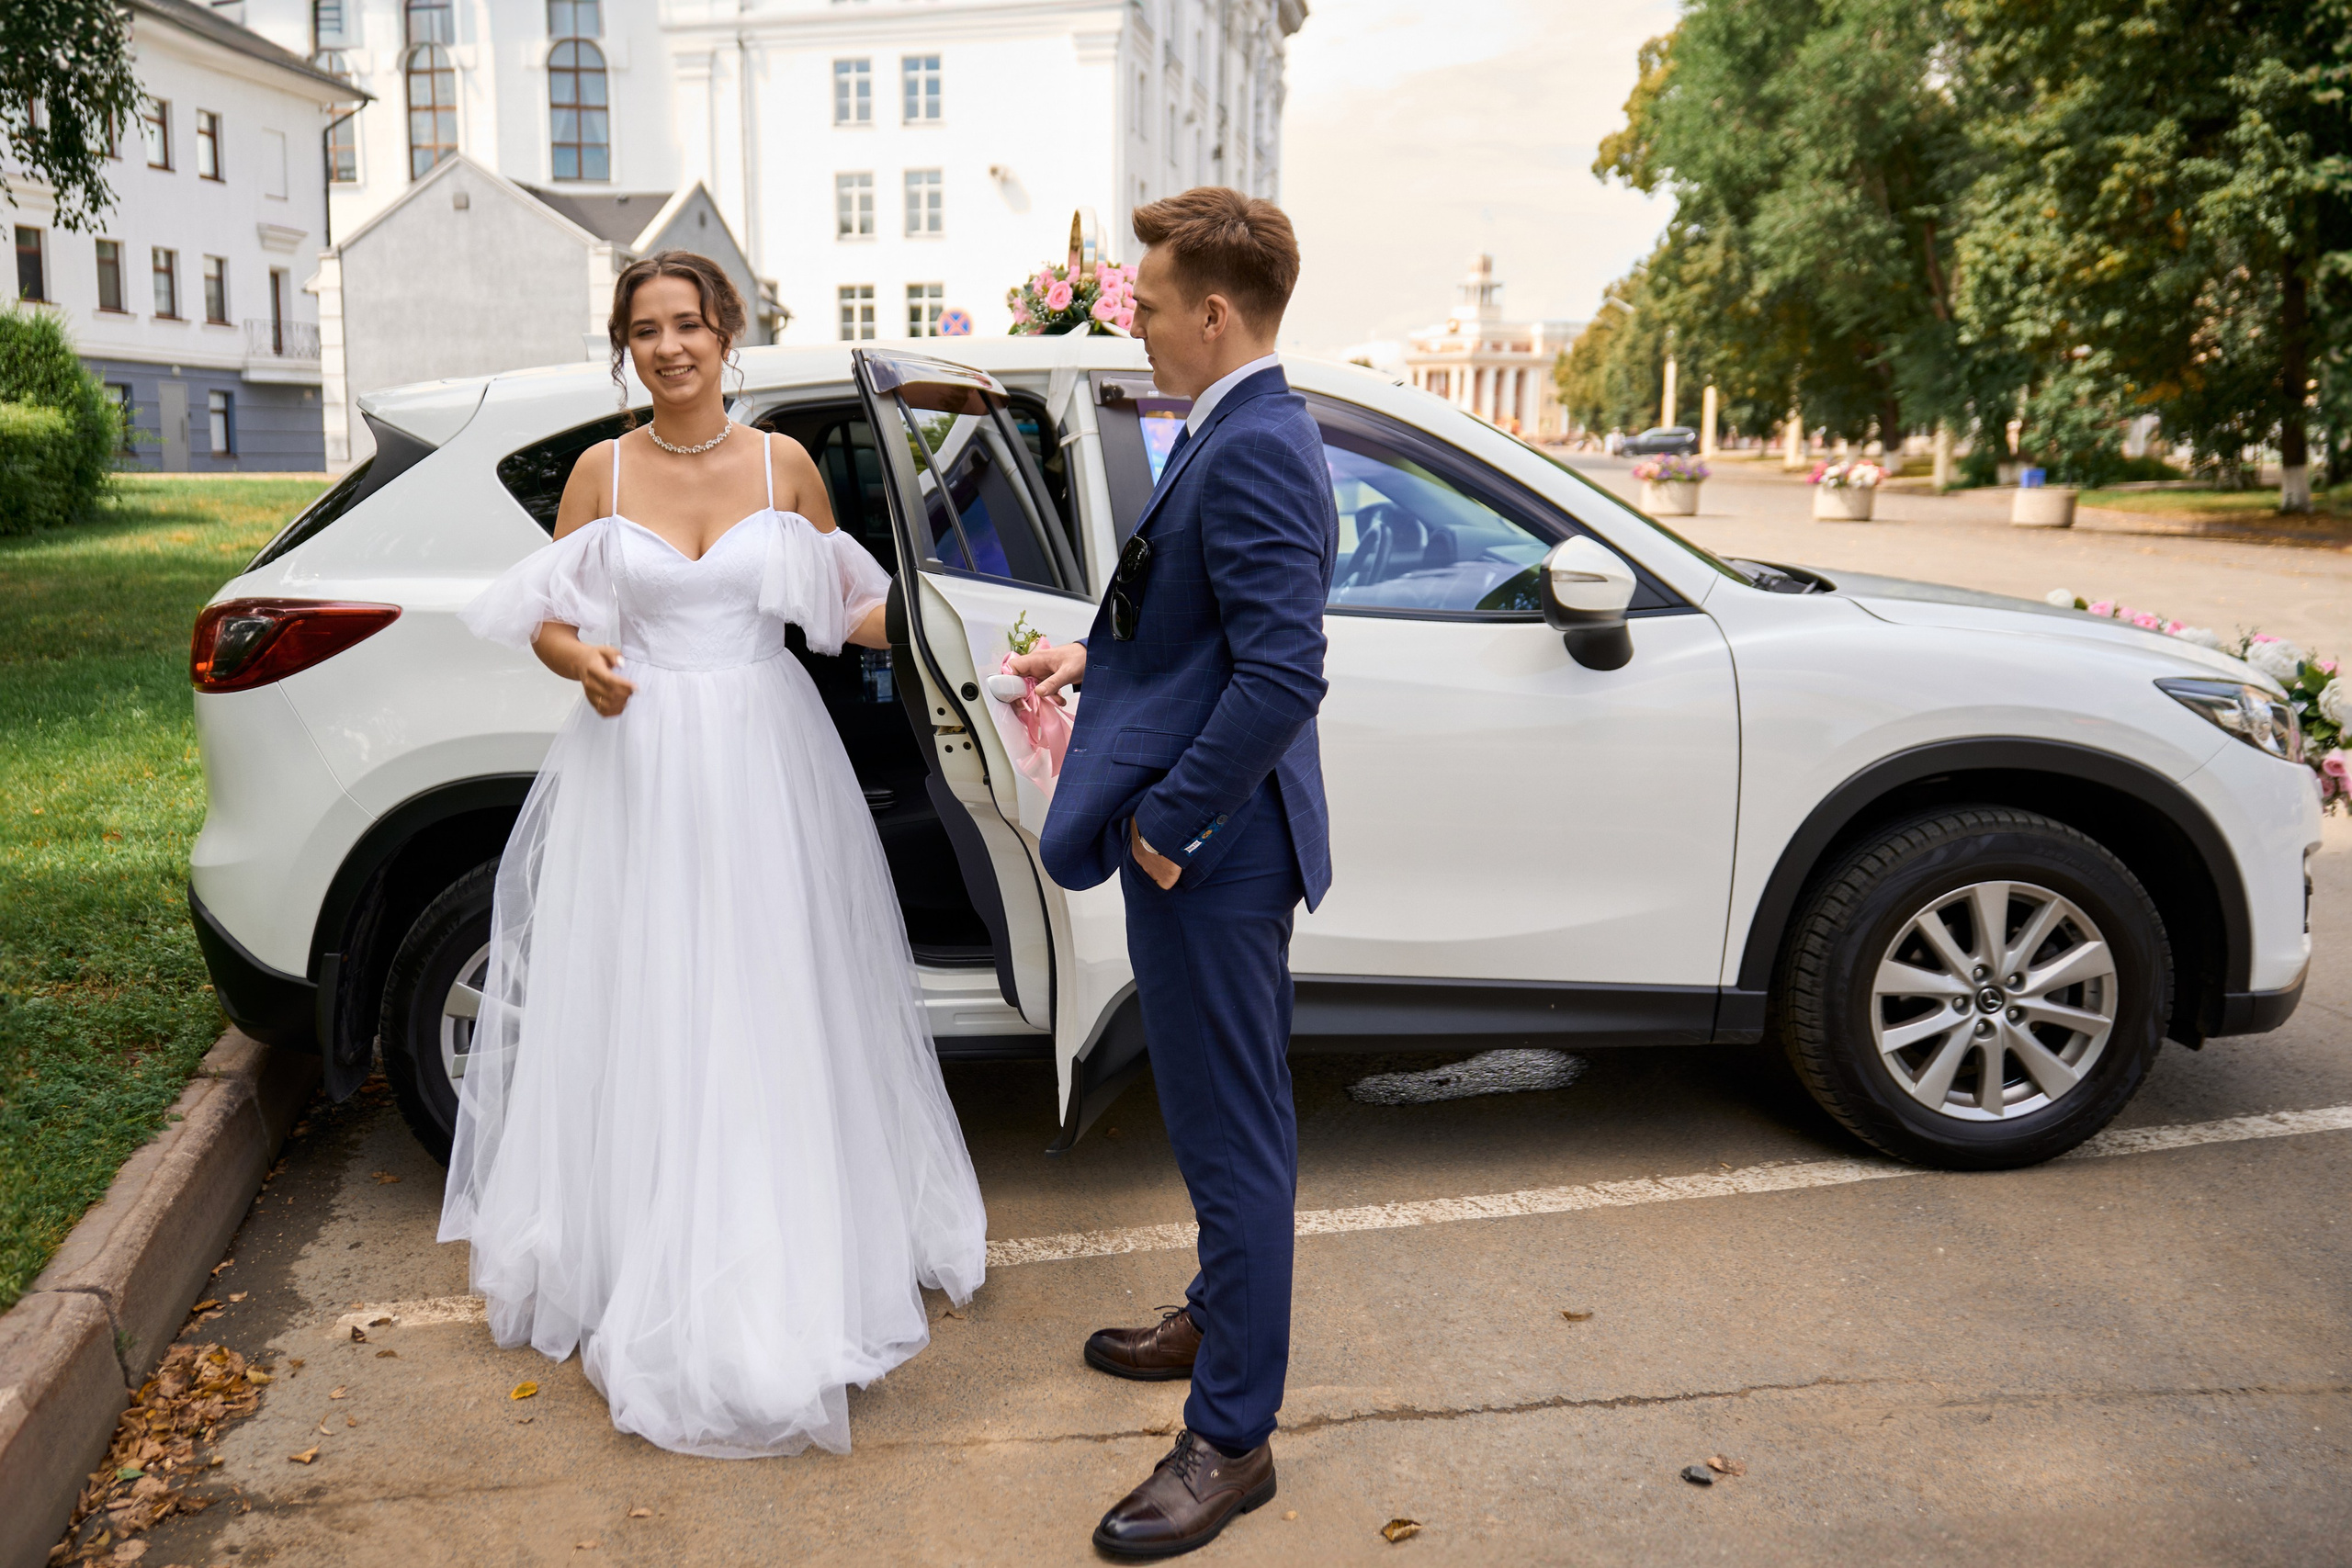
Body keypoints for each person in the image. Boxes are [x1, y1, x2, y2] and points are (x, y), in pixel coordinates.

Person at [440, 250, 987, 1460]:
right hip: (634, 767)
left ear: (725, 332)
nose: (671, 346)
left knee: (764, 995)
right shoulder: (602, 470)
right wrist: (581, 662)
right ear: (627, 347)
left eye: (689, 323)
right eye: (646, 330)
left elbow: (844, 608)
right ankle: (646, 1251)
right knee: (651, 998)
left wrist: (971, 627)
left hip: (761, 756)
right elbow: (546, 613)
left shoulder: (785, 466)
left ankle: (773, 1247)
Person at [1007, 188, 1338, 1559]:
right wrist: (1101, 658)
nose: (1130, 318)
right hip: (1204, 839)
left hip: (1214, 851)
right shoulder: (1229, 428)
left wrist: (1168, 827)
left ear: (1216, 313)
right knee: (1211, 1115)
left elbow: (1281, 674)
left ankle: (1233, 1437)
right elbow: (1201, 622)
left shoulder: (1260, 444)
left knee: (1233, 1132)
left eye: (1146, 303)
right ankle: (1220, 1306)